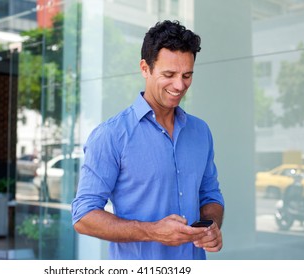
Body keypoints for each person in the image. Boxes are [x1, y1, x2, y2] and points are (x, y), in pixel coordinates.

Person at [71, 20, 224, 260]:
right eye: (169, 74)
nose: (180, 85)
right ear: (145, 68)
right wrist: (152, 232)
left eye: (187, 75)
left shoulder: (200, 131)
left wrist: (212, 225)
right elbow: (84, 217)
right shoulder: (111, 135)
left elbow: (211, 196)